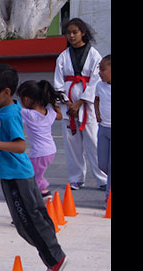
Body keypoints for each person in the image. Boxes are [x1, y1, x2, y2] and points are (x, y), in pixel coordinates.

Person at [0, 64, 67, 271]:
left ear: (7, 92)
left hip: (16, 176)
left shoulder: (11, 115)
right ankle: (54, 253)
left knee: (26, 224)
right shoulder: (3, 105)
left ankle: (54, 259)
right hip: (16, 174)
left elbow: (20, 146)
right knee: (35, 216)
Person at [54, 18, 107, 190]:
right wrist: (68, 103)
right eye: (68, 32)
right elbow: (58, 83)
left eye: (75, 32)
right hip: (68, 104)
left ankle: (102, 178)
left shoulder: (94, 55)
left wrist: (81, 102)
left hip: (87, 105)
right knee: (71, 143)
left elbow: (96, 80)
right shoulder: (63, 56)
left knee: (93, 141)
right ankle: (76, 177)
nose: (71, 35)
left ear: (83, 32)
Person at [16, 80, 64, 201]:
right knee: (36, 174)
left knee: (31, 176)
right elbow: (60, 116)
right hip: (51, 150)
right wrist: (54, 104)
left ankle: (43, 195)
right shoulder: (49, 112)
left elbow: (12, 110)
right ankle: (43, 193)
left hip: (39, 153)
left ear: (26, 99)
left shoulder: (28, 114)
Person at [94, 54, 111, 202]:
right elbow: (97, 99)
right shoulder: (100, 85)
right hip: (103, 129)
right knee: (103, 164)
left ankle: (108, 198)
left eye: (103, 69)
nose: (100, 73)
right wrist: (97, 114)